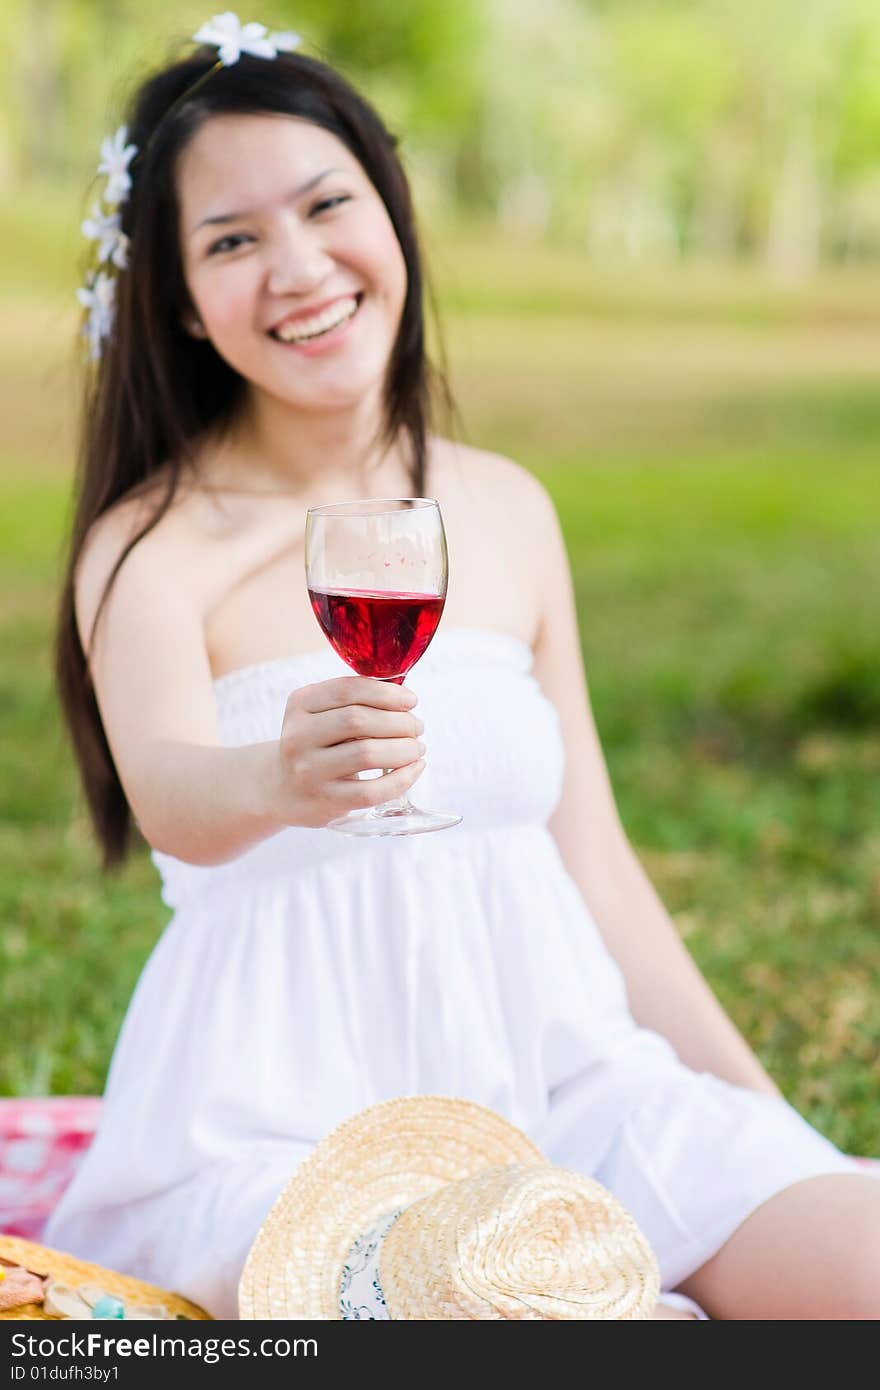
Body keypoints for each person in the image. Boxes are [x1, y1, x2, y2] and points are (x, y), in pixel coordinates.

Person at [45, 18, 879, 1321]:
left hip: (568, 1096)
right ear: (182, 308)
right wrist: (277, 774)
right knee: (523, 1322)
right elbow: (167, 796)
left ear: (396, 212)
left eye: (329, 205)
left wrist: (767, 1128)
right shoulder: (156, 546)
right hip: (293, 1140)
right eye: (232, 241)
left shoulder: (503, 509)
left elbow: (595, 862)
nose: (300, 267)